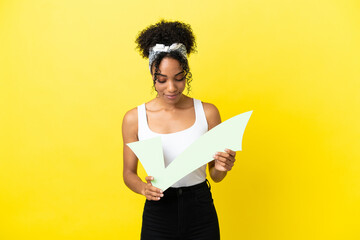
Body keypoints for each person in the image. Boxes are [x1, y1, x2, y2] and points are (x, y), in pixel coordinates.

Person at [122, 19, 237, 240]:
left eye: (179, 78)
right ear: (153, 76)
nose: (171, 88)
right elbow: (128, 173)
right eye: (162, 80)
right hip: (158, 211)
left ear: (186, 73)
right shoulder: (134, 119)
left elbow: (216, 176)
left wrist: (223, 167)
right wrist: (143, 189)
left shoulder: (208, 113)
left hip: (200, 208)